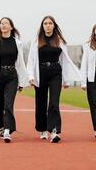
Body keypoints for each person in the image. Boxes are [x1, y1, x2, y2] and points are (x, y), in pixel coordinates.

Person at [27, 15, 81, 143]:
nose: (48, 25)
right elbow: (31, 60)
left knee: (54, 102)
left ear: (54, 26)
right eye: (45, 23)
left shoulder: (60, 41)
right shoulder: (36, 41)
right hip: (40, 73)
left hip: (56, 73)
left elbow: (65, 61)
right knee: (41, 102)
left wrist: (66, 80)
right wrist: (31, 76)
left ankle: (55, 130)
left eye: (50, 23)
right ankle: (43, 129)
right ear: (42, 26)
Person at [0, 17, 28, 143]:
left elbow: (20, 63)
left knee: (8, 104)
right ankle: (0, 126)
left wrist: (22, 82)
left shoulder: (18, 43)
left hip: (12, 76)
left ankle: (7, 131)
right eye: (1, 23)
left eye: (6, 23)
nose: (3, 25)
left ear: (11, 27)